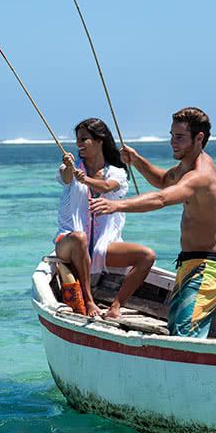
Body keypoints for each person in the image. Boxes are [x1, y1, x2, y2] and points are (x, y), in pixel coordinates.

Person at [91, 107, 216, 338]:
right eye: (172, 135)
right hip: (188, 266)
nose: (173, 142)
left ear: (199, 138)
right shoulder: (187, 166)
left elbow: (163, 198)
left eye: (180, 137)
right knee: (177, 331)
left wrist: (117, 205)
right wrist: (136, 161)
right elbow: (164, 181)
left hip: (206, 268)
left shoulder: (200, 175)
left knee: (185, 338)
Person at [54, 118, 156, 318]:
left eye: (84, 139)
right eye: (77, 140)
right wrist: (68, 167)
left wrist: (87, 180)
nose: (78, 144)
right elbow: (66, 178)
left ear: (100, 141)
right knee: (80, 237)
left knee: (147, 256)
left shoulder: (117, 172)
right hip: (68, 242)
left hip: (105, 246)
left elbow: (108, 186)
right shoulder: (72, 169)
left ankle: (116, 307)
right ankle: (89, 301)